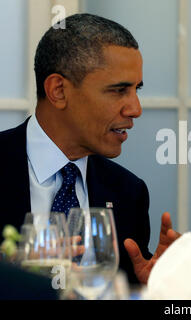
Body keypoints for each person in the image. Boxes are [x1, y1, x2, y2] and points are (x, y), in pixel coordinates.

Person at [0, 13, 179, 285]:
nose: (136, 109)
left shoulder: (129, 193)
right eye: (119, 90)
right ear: (58, 90)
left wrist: (147, 288)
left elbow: (120, 286)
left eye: (136, 90)